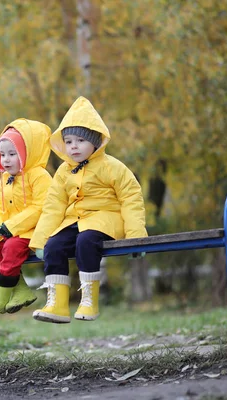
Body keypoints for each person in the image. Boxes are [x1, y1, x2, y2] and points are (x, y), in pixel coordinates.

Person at [30, 96, 147, 324]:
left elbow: (131, 198)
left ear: (95, 141)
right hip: (74, 221)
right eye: (69, 141)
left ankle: (89, 300)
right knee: (54, 245)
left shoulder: (112, 167)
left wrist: (136, 237)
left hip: (104, 220)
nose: (73, 146)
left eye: (81, 140)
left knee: (86, 241)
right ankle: (58, 305)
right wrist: (40, 241)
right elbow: (53, 206)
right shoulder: (64, 171)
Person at [0, 119, 53, 316]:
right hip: (11, 230)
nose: (6, 160)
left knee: (11, 248)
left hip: (35, 232)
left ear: (27, 154)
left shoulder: (39, 176)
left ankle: (0, 296)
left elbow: (41, 207)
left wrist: (10, 227)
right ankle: (20, 291)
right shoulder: (5, 179)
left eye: (13, 154)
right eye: (3, 154)